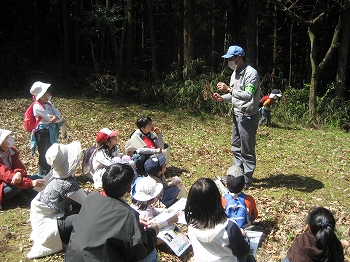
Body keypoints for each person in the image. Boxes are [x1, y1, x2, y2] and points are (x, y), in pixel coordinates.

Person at [65, 164, 159, 262]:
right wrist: (153, 232)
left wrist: (134, 225)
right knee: (152, 255)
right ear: (129, 189)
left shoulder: (90, 198)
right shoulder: (128, 214)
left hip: (72, 257)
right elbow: (138, 251)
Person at [27, 141, 88, 259]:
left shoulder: (56, 173)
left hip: (44, 211)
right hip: (47, 221)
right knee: (83, 215)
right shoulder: (66, 183)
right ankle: (69, 240)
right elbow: (88, 203)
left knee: (79, 208)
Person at [212, 45, 260, 189]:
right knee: (236, 148)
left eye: (231, 59)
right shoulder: (235, 73)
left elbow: (247, 95)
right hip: (237, 114)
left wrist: (229, 89)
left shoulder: (251, 74)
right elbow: (234, 95)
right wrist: (222, 98)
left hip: (248, 117)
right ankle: (236, 176)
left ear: (239, 58)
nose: (229, 62)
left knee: (247, 149)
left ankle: (246, 179)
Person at [184, 178, 251, 262]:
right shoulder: (229, 226)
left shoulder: (191, 224)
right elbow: (242, 251)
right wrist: (243, 236)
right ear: (217, 198)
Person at [0, 129, 45, 210]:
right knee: (16, 186)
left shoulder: (11, 150)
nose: (10, 138)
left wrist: (18, 173)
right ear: (2, 142)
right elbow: (6, 175)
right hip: (4, 185)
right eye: (7, 137)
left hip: (14, 179)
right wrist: (30, 183)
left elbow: (18, 164)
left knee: (39, 178)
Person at [131, 176, 178, 245]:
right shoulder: (145, 213)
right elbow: (152, 228)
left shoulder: (139, 204)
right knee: (172, 229)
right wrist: (168, 221)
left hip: (142, 231)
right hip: (144, 236)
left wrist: (168, 211)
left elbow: (154, 210)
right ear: (151, 198)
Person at [30, 81, 64, 176]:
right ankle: (43, 174)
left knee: (52, 151)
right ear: (42, 95)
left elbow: (57, 113)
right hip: (42, 132)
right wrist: (60, 119)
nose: (49, 94)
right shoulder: (37, 106)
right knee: (44, 154)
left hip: (50, 131)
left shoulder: (48, 103)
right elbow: (49, 119)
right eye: (47, 92)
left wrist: (57, 117)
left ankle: (51, 173)